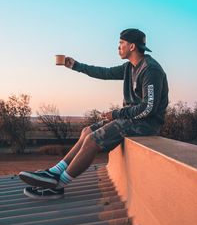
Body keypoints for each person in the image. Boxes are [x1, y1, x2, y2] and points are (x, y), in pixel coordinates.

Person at [19, 28, 169, 199]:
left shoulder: (151, 70)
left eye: (121, 43)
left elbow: (148, 108)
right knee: (87, 132)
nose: (118, 47)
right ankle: (53, 173)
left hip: (146, 123)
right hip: (131, 118)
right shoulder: (130, 67)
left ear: (132, 46)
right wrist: (75, 66)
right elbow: (104, 73)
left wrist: (117, 113)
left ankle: (58, 185)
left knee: (92, 140)